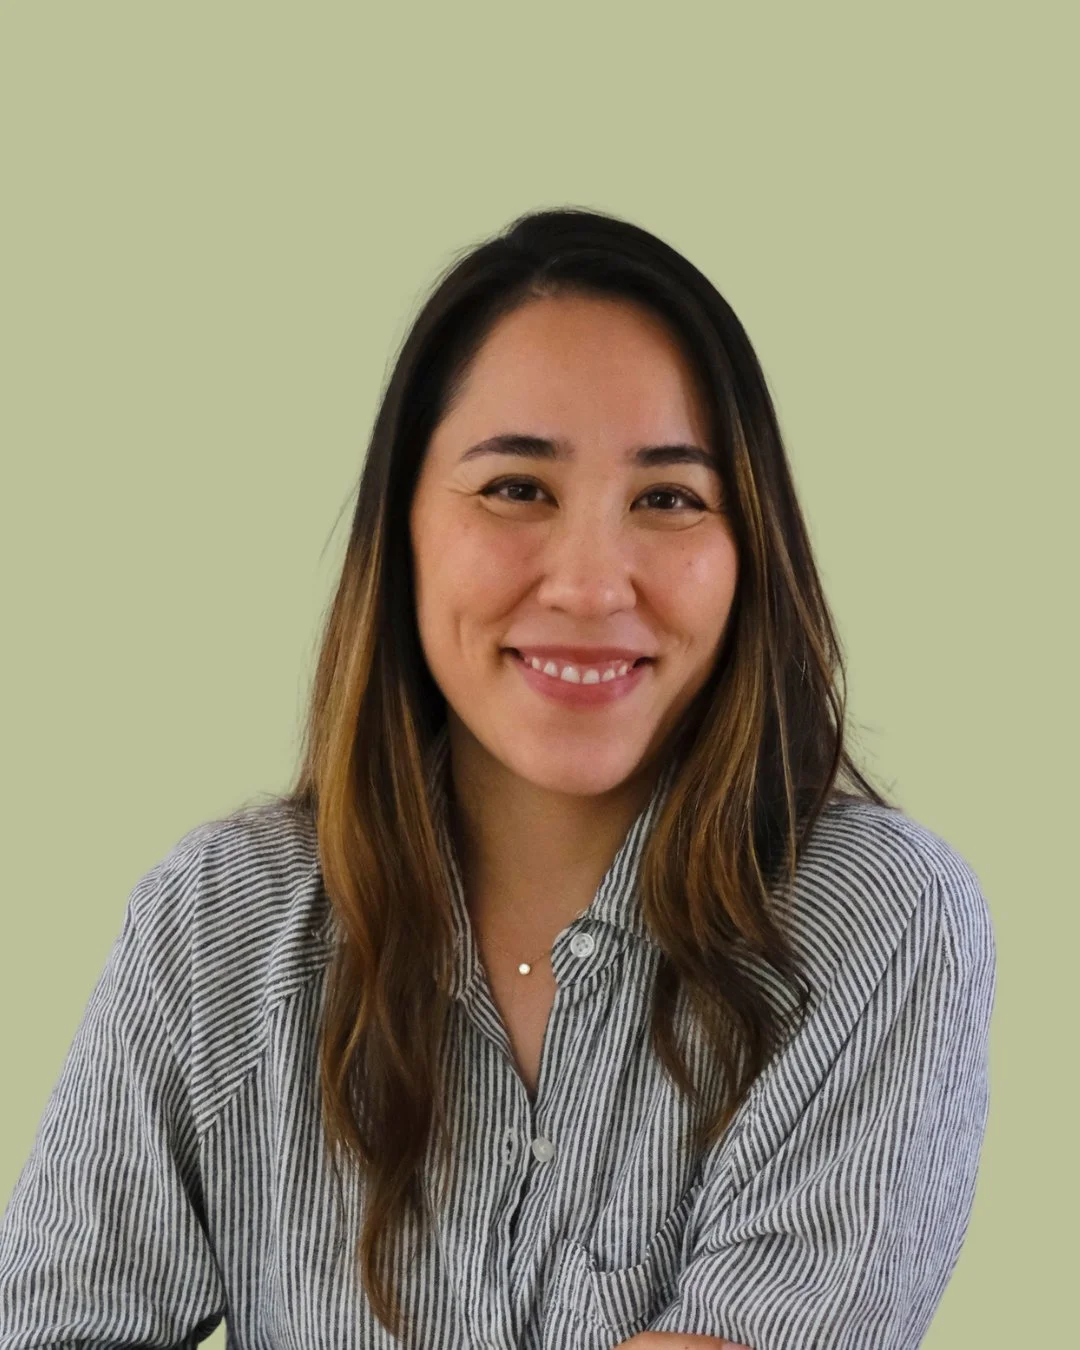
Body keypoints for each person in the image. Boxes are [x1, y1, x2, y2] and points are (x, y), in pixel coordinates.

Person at [0, 207, 996, 1350]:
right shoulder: (215, 925)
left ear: (747, 551)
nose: (589, 583)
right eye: (517, 488)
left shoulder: (876, 921)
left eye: (668, 498)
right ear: (405, 528)